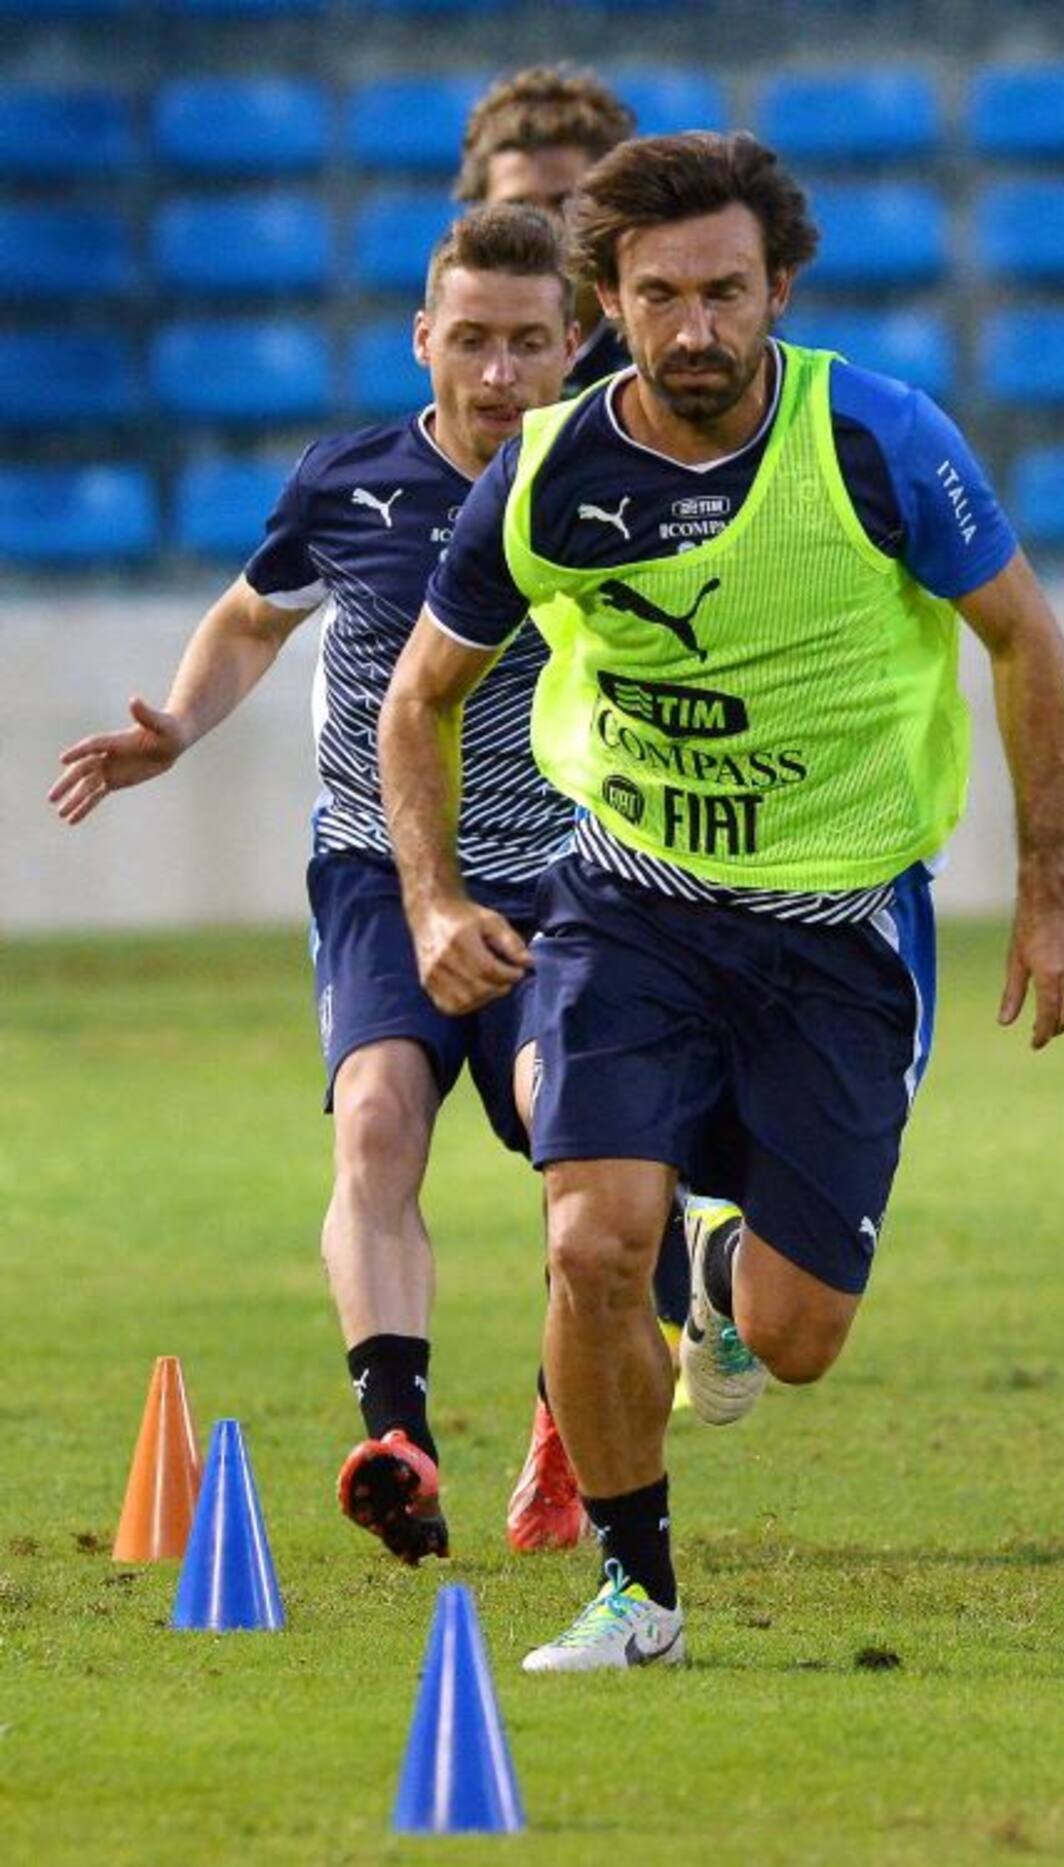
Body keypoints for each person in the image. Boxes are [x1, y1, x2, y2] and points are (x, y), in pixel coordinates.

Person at [376, 130, 1064, 1670]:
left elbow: (1025, 642)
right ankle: (637, 1591)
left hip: (840, 930)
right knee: (587, 1239)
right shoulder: (554, 472)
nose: (694, 329)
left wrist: (1051, 900)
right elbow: (420, 693)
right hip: (629, 905)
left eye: (725, 292)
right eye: (659, 297)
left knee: (798, 1336)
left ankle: (720, 1273)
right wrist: (434, 899)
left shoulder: (880, 441)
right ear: (606, 306)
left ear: (780, 289)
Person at [49, 204, 580, 1567]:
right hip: (381, 874)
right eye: (472, 339)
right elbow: (248, 614)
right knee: (376, 1126)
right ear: (424, 340)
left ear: (574, 344)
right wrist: (177, 719)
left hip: (570, 882)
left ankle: (575, 1426)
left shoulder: (617, 488)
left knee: (592, 1156)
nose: (501, 372)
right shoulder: (348, 481)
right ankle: (396, 1434)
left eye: (530, 342)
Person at [464, 64, 696, 1550]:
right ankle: (607, 1443)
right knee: (582, 1174)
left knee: (624, 1170)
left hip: (718, 857)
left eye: (570, 209)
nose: (548, 229)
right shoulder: (479, 444)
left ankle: (595, 1427)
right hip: (532, 870)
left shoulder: (730, 421)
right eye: (518, 207)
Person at [458, 64, 634, 394]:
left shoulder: (655, 359)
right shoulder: (456, 356)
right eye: (517, 208)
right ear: (476, 217)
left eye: (565, 202)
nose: (543, 227)